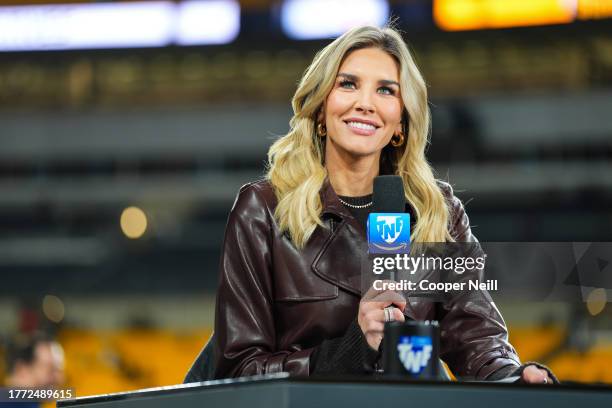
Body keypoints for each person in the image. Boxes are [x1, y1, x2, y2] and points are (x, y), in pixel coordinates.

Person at [208, 25, 556, 383]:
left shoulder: (438, 211)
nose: (365, 103)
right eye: (348, 84)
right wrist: (352, 350)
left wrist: (516, 380)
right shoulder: (262, 208)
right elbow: (240, 370)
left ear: (401, 122)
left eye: (386, 90)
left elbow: (478, 340)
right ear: (320, 108)